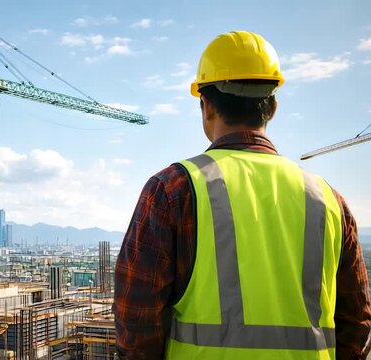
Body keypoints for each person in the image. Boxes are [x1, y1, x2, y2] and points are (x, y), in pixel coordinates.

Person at [113, 31, 371, 359]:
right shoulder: (329, 200)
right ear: (273, 107)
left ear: (205, 106)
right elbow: (357, 322)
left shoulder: (174, 190)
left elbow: (136, 321)